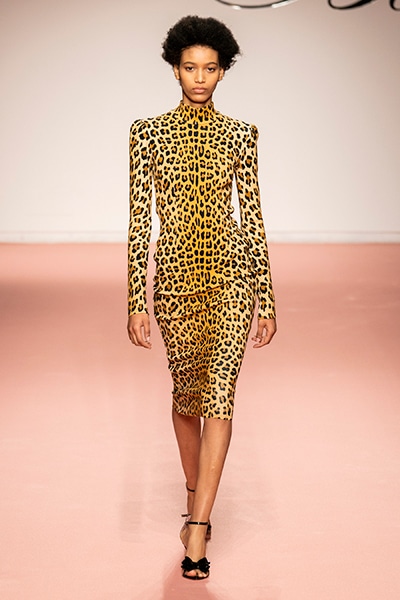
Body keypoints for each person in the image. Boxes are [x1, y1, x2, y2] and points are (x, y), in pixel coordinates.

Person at [127, 15, 276, 580]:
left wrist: (267, 297)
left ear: (222, 73)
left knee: (220, 398)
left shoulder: (241, 134)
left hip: (232, 279)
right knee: (186, 399)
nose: (199, 77)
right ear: (175, 69)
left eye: (210, 68)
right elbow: (139, 222)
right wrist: (136, 300)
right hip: (175, 282)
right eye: (190, 67)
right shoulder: (147, 134)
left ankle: (198, 527)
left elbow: (253, 218)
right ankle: (195, 493)